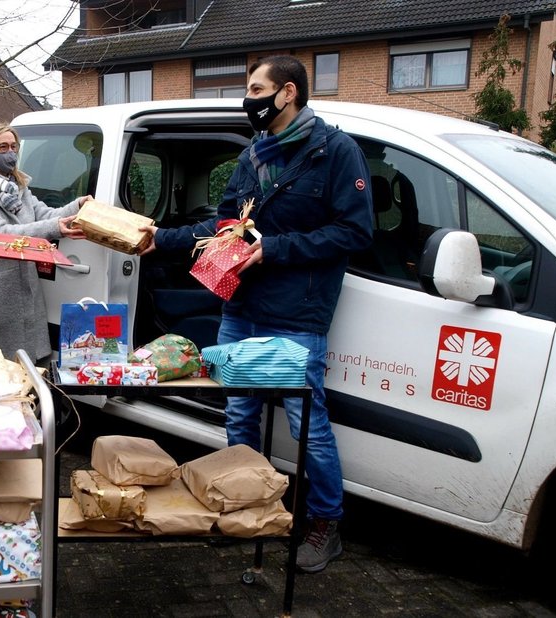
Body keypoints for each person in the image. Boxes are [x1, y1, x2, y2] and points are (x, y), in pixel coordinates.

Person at [142, 55, 373, 573]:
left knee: (306, 423)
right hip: (241, 305)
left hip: (296, 313)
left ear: (287, 93)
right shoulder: (253, 154)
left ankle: (324, 523)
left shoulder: (336, 152)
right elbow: (226, 219)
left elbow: (355, 233)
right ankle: (243, 505)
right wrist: (162, 239)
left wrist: (276, 249)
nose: (249, 99)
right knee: (241, 413)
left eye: (255, 88)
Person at [0, 123, 90, 363]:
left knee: (30, 364)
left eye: (14, 147)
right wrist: (53, 228)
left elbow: (44, 214)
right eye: (3, 147)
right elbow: (1, 235)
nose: (11, 153)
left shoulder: (19, 188)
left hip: (24, 284)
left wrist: (78, 206)